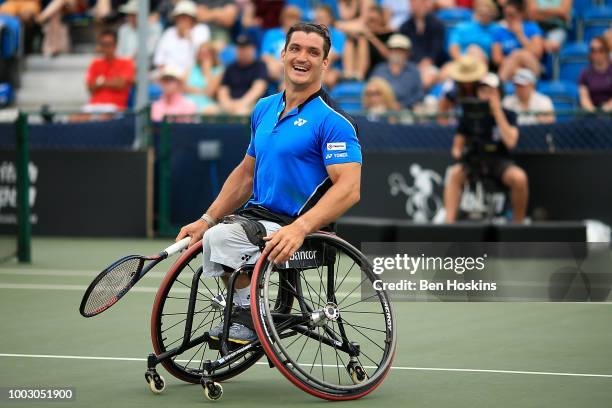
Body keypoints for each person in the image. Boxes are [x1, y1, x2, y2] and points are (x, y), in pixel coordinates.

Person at [175, 23, 362, 343]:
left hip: (306, 231)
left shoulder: (333, 121)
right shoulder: (263, 107)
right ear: (283, 54)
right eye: (296, 49)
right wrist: (206, 219)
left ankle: (247, 315)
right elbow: (246, 173)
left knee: (225, 238)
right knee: (217, 234)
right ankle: (248, 311)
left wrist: (300, 228)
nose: (303, 57)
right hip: (259, 220)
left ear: (325, 63)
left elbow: (349, 189)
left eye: (313, 52)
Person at [444, 72, 529, 223]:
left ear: (499, 93)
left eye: (491, 91)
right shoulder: (469, 116)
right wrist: (459, 153)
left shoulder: (510, 115)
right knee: (454, 174)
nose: (486, 95)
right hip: (474, 160)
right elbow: (456, 146)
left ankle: (519, 225)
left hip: (499, 161)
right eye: (483, 91)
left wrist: (497, 111)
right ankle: (448, 224)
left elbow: (511, 142)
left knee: (519, 178)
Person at [84, 29, 135, 113]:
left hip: (116, 108)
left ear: (115, 45)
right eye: (103, 44)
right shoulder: (95, 63)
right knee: (72, 120)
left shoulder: (127, 62)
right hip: (94, 106)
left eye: (109, 44)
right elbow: (90, 88)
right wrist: (112, 81)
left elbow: (120, 84)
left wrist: (100, 81)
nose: (105, 48)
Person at [154, 0, 211, 74]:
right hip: (168, 76)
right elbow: (159, 60)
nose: (183, 20)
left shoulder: (202, 30)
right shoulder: (168, 33)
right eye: (180, 17)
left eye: (186, 17)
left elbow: (203, 58)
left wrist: (190, 38)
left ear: (193, 18)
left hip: (192, 76)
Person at [399, 0, 446, 89]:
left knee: (427, 76)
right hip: (410, 66)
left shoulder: (437, 24)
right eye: (412, 2)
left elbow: (437, 49)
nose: (415, 5)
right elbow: (404, 50)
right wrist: (414, 66)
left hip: (432, 66)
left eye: (419, 2)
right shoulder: (404, 27)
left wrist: (428, 61)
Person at [492, 0, 544, 81]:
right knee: (516, 56)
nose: (508, 18)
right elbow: (497, 59)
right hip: (511, 70)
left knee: (519, 54)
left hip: (531, 68)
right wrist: (515, 66)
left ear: (521, 14)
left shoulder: (532, 27)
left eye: (512, 15)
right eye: (506, 15)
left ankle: (500, 84)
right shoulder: (499, 31)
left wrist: (520, 35)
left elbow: (537, 53)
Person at [370, 34, 424, 109]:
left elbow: (419, 95)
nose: (396, 53)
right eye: (393, 49)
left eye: (401, 50)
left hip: (407, 110)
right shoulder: (379, 69)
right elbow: (372, 91)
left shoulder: (413, 71)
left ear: (407, 53)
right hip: (382, 109)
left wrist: (402, 105)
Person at [217, 34, 268, 115]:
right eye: (240, 48)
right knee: (210, 111)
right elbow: (223, 89)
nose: (242, 51)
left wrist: (242, 103)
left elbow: (259, 88)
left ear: (253, 49)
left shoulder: (260, 65)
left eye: (245, 48)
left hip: (252, 106)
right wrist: (227, 104)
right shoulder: (230, 67)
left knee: (241, 112)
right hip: (231, 105)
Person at [343, 4, 394, 80]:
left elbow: (388, 55)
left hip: (379, 67)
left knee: (362, 40)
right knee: (350, 40)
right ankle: (348, 73)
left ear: (381, 19)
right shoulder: (363, 32)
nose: (372, 23)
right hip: (361, 66)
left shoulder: (389, 34)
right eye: (369, 20)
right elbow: (342, 27)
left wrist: (371, 37)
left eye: (374, 20)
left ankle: (360, 74)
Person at [260, 5, 302, 83]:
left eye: (295, 18)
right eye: (289, 18)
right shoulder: (272, 34)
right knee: (271, 68)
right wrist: (279, 64)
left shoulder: (301, 37)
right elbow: (264, 55)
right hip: (275, 67)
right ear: (283, 19)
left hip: (292, 68)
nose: (292, 21)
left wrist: (285, 66)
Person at [185, 42, 223, 113]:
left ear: (212, 55)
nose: (203, 57)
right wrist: (202, 91)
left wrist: (207, 72)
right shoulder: (191, 68)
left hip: (206, 103)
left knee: (212, 110)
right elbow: (183, 88)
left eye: (206, 54)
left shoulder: (218, 71)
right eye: (201, 54)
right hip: (187, 100)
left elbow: (210, 92)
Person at [579, 37, 612, 112]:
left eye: (600, 50)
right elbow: (584, 96)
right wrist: (593, 111)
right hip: (591, 115)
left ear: (607, 51)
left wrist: (608, 107)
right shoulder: (585, 73)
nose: (597, 53)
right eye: (593, 50)